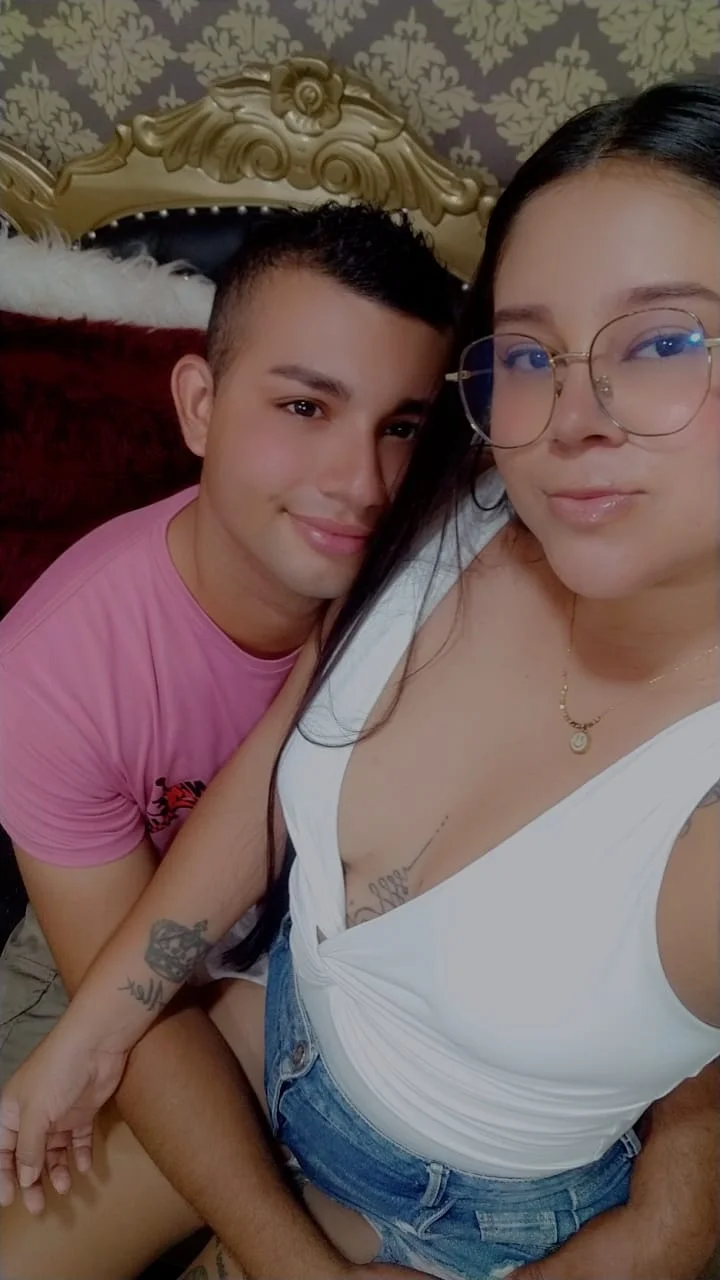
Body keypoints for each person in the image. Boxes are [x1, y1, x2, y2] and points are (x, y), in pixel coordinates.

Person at [3, 77, 720, 1280]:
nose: (571, 416)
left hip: (467, 1211)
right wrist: (99, 1022)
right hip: (272, 1022)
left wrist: (670, 1201)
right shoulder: (463, 513)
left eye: (662, 340)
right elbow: (283, 758)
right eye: (530, 352)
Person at [0, 202, 460, 1279]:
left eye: (401, 425)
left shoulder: (450, 571)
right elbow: (133, 1000)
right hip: (136, 964)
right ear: (200, 405)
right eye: (305, 406)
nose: (362, 482)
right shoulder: (53, 676)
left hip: (351, 978)